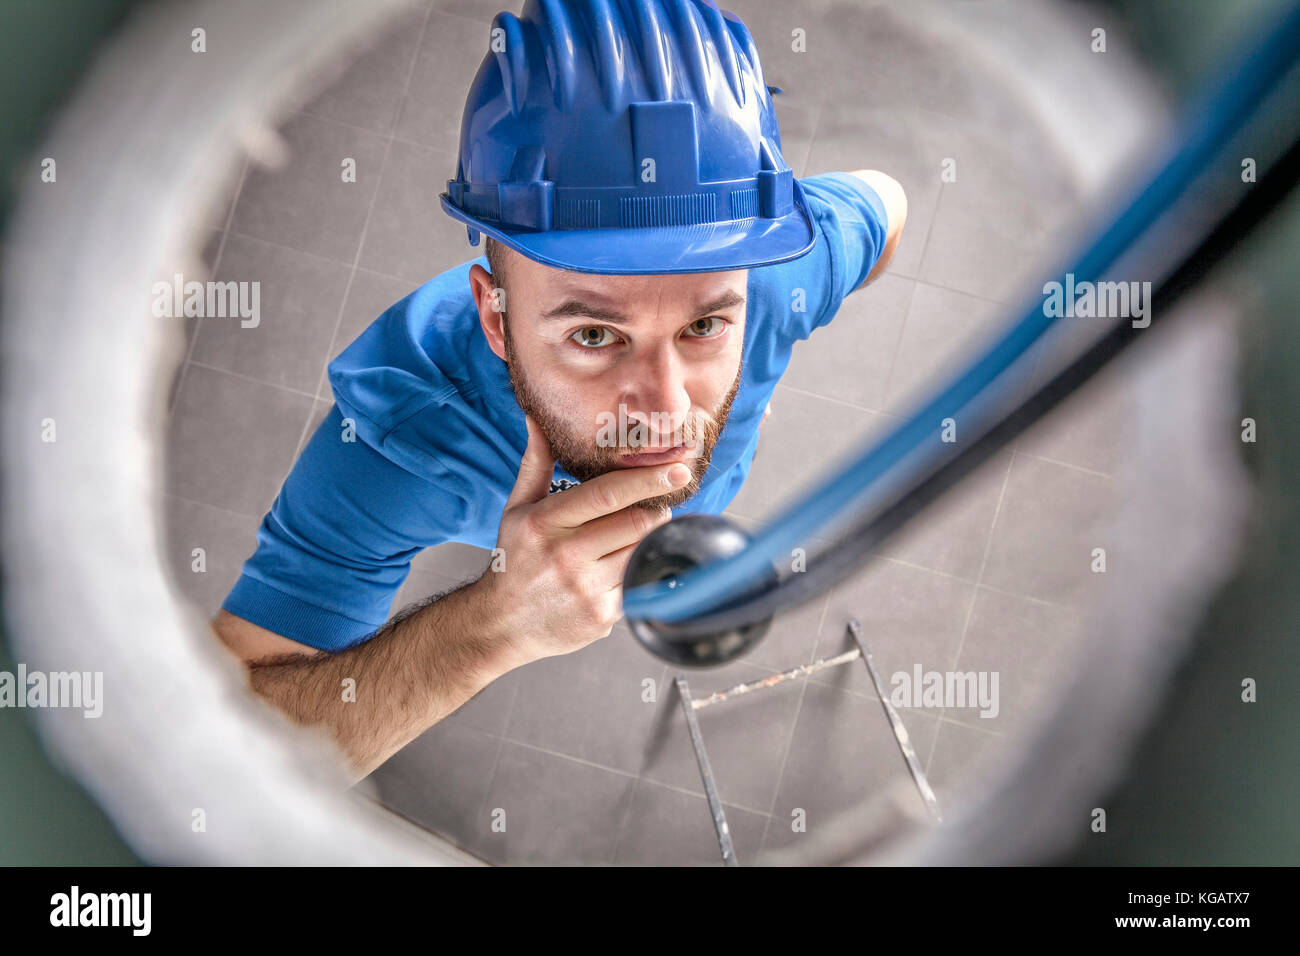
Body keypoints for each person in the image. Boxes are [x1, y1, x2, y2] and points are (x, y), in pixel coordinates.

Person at [210, 0, 906, 780]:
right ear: (496, 319)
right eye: (595, 336)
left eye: (704, 328)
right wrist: (487, 627)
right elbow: (221, 745)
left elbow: (885, 199)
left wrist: (754, 371)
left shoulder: (781, 280)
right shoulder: (401, 443)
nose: (669, 411)